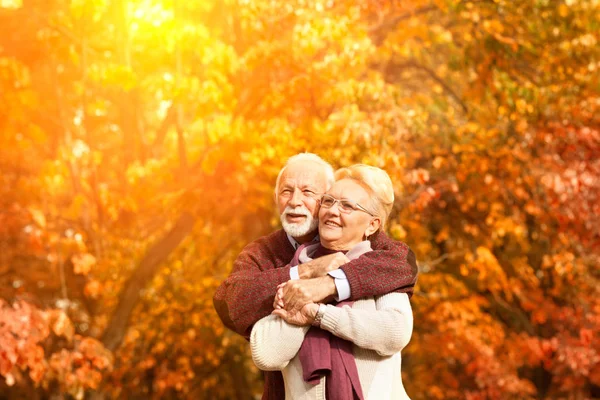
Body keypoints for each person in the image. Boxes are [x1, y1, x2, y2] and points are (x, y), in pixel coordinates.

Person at [212, 154, 417, 399]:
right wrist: (306, 272)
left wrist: (329, 284)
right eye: (286, 191)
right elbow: (231, 300)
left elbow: (403, 262)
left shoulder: (369, 247)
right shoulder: (263, 252)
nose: (295, 201)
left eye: (308, 192)